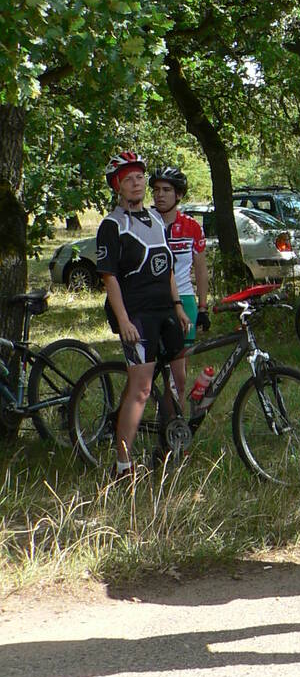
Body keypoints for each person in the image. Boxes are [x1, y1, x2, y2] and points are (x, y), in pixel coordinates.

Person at [96, 152, 191, 479]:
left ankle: (167, 446)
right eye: (129, 179)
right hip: (136, 314)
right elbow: (109, 277)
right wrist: (123, 320)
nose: (136, 183)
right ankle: (122, 465)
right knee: (142, 389)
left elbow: (167, 268)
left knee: (178, 380)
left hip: (165, 310)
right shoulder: (112, 225)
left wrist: (178, 306)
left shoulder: (155, 218)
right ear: (117, 186)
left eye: (139, 177)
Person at [150, 166, 209, 397]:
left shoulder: (192, 226)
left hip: (184, 299)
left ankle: (175, 417)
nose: (160, 195)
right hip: (153, 300)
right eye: (156, 190)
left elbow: (201, 270)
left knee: (178, 377)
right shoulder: (145, 223)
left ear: (179, 194)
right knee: (148, 368)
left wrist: (202, 307)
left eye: (166, 190)